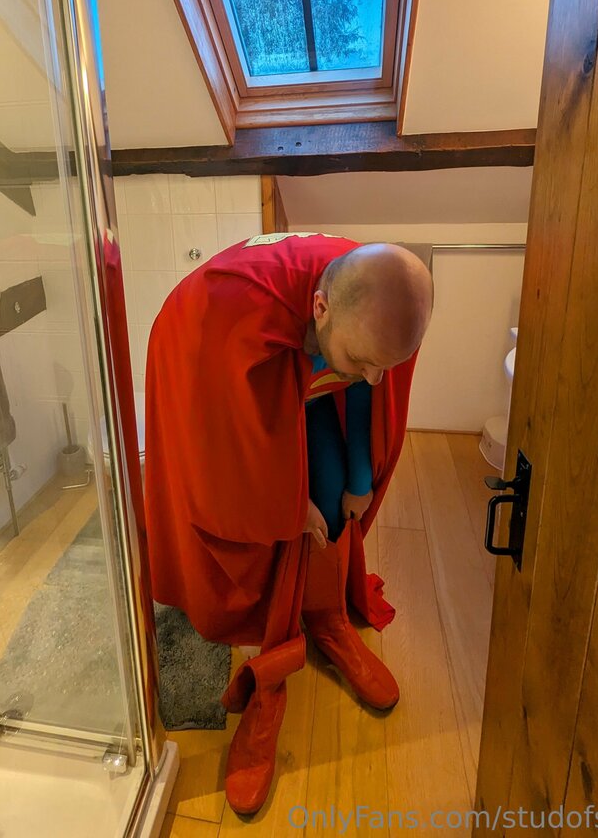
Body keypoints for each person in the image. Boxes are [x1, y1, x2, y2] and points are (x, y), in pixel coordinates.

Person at [144, 232, 433, 814]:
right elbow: (223, 447)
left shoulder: (370, 300)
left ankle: (326, 619)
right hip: (225, 376)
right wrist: (283, 502)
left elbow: (365, 385)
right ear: (320, 307)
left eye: (384, 367)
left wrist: (359, 478)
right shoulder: (230, 314)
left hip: (307, 380)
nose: (376, 377)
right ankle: (270, 678)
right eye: (363, 362)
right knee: (273, 529)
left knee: (330, 493)